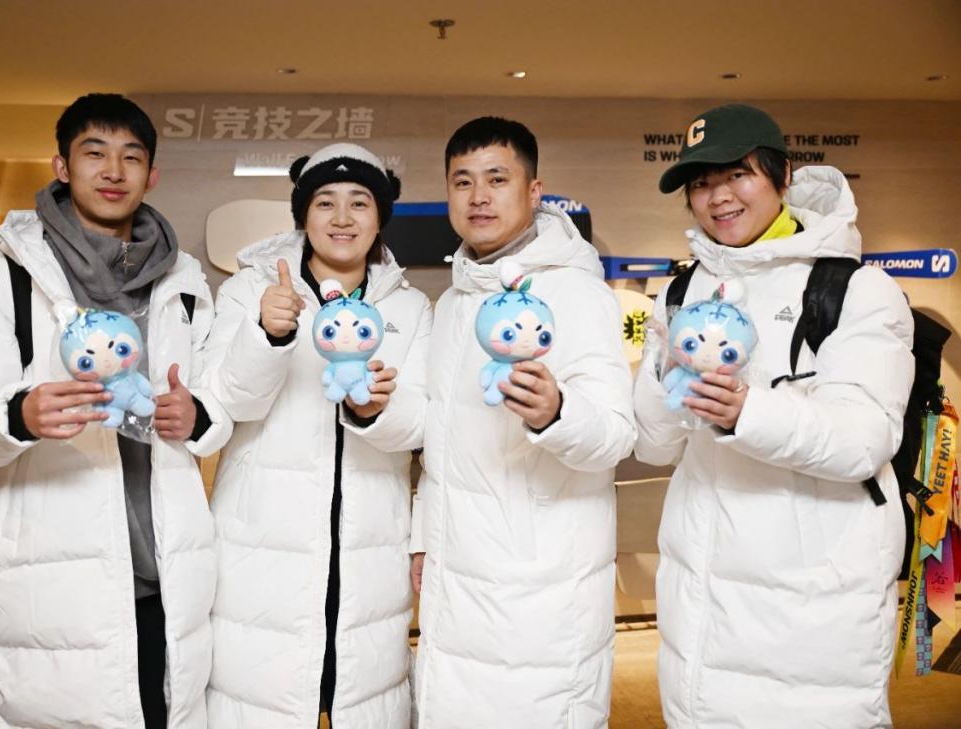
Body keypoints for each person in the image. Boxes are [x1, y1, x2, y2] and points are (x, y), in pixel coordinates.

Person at [0, 93, 230, 729]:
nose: (113, 171)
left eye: (131, 156)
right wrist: (21, 413)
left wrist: (197, 417)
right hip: (53, 573)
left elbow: (216, 407)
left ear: (152, 174)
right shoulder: (6, 278)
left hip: (168, 570)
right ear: (62, 167)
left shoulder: (182, 283)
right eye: (94, 153)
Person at [634, 103, 914, 727]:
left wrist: (747, 413)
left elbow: (865, 439)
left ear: (783, 174)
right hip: (699, 610)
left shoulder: (852, 289)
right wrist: (662, 370)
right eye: (700, 183)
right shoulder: (680, 292)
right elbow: (653, 444)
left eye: (738, 175)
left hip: (812, 616)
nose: (718, 197)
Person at [411, 117, 636, 728]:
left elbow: (616, 433)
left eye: (497, 178)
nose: (478, 196)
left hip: (542, 590)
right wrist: (424, 537)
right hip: (456, 579)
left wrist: (557, 413)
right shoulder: (453, 303)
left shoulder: (576, 293)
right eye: (462, 181)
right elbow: (441, 440)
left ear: (534, 192)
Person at [203, 143, 432, 728]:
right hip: (263, 549)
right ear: (303, 214)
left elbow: (421, 423)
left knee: (363, 694)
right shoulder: (250, 290)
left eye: (360, 203)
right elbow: (225, 401)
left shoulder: (409, 307)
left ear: (379, 218)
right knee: (262, 698)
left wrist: (375, 410)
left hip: (368, 551)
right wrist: (268, 334)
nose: (342, 218)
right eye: (325, 202)